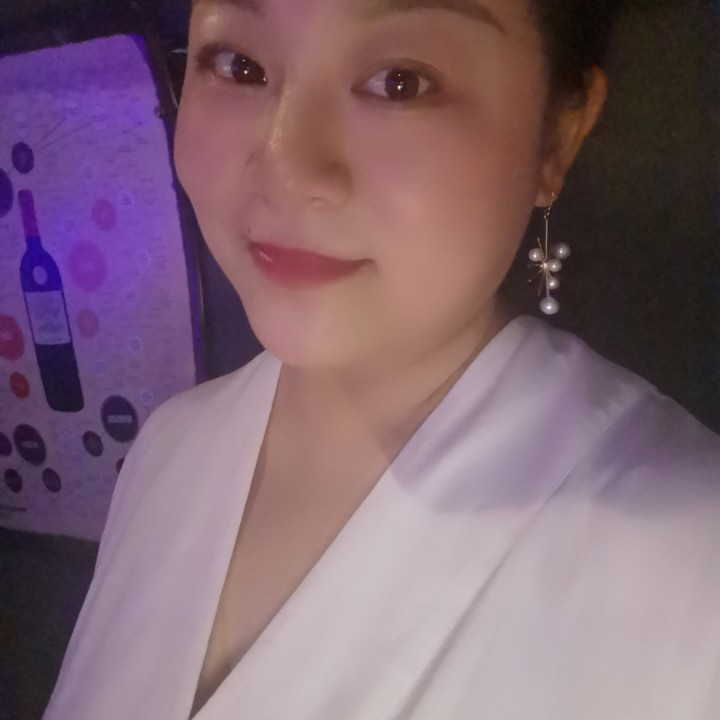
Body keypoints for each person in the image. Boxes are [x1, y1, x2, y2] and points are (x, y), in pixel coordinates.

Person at [44, 0, 720, 718]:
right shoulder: (167, 451)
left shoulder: (690, 562)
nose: (286, 166)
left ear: (557, 134)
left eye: (401, 82)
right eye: (238, 66)